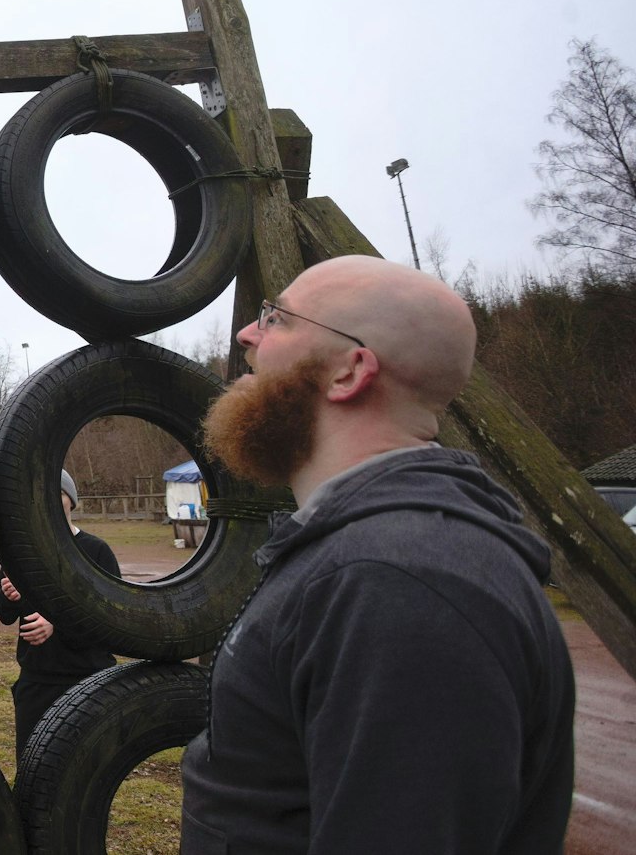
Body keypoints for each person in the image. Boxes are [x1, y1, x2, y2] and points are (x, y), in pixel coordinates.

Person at [179, 255, 574, 854]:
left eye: (277, 319)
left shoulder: (401, 584)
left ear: (348, 372)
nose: (247, 334)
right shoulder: (365, 556)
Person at [0, 470, 120, 753]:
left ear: (71, 500)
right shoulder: (22, 551)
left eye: (57, 493)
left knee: (84, 769)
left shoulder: (96, 551)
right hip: (37, 680)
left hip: (88, 679)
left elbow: (110, 618)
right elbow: (2, 612)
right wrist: (10, 598)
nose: (50, 500)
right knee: (33, 767)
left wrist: (56, 624)